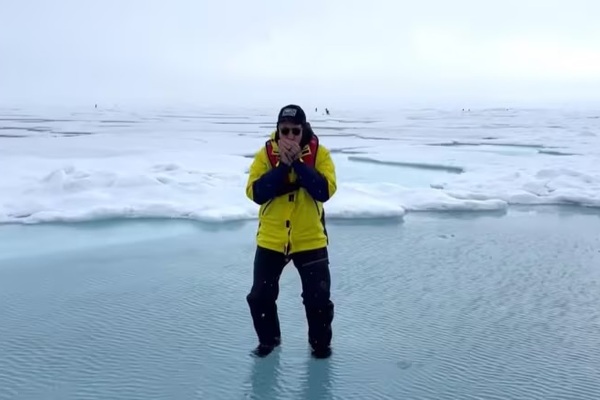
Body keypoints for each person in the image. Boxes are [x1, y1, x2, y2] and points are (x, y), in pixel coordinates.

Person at [245, 104, 337, 359]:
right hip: (272, 239)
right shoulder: (265, 155)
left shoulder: (321, 155)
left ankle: (320, 346)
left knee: (318, 300)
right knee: (260, 297)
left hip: (310, 238)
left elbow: (324, 191)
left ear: (303, 130)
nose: (289, 137)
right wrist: (283, 168)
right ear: (277, 130)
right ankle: (269, 342)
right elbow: (256, 193)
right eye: (284, 130)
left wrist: (297, 163)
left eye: (295, 131)